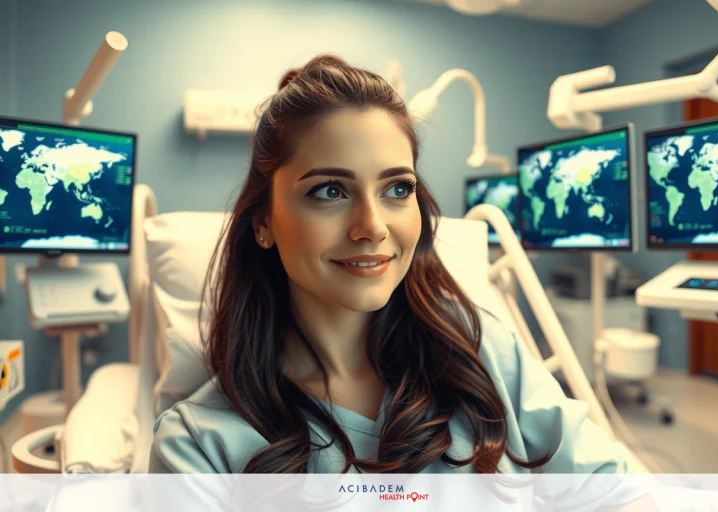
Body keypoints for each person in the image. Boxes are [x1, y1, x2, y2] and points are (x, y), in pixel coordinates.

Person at [147, 54, 657, 510]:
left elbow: (616, 491)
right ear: (263, 223)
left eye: (397, 188)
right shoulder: (199, 447)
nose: (373, 226)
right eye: (329, 190)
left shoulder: (478, 352)